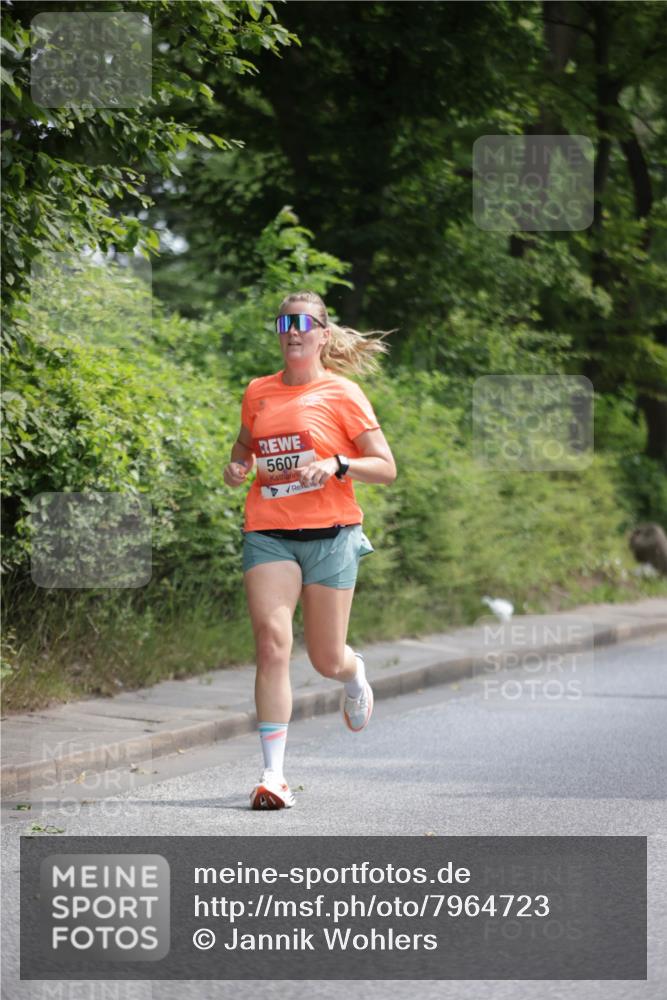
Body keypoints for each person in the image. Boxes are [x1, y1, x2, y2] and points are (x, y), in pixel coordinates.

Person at [223, 290, 397, 810]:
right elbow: (243, 447)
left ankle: (354, 672)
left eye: (303, 322)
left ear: (323, 333)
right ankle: (273, 776)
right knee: (272, 644)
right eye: (284, 322)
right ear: (279, 333)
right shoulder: (258, 392)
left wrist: (339, 463)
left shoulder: (344, 393)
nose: (293, 330)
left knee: (325, 659)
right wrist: (236, 468)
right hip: (269, 534)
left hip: (331, 536)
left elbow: (385, 468)